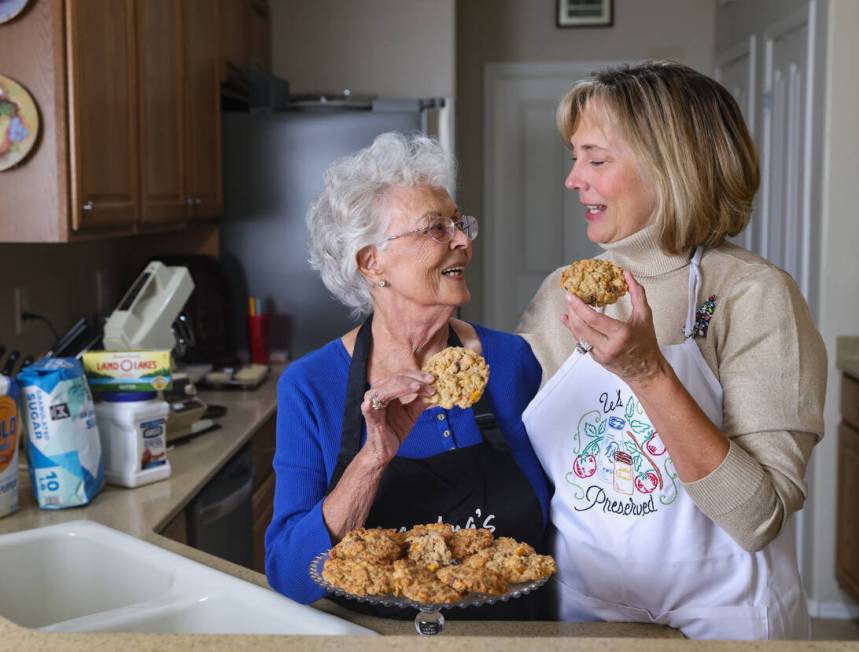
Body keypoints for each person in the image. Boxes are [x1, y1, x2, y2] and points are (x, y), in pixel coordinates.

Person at [517, 61, 826, 639]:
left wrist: (648, 372)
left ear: (671, 169)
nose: (573, 179)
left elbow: (757, 517)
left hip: (726, 618)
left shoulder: (751, 295)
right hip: (587, 611)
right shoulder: (565, 292)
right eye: (573, 157)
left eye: (597, 160)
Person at [266, 132, 552, 619]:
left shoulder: (512, 362)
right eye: (435, 229)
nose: (461, 240)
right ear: (371, 262)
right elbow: (289, 575)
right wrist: (373, 459)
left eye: (459, 224)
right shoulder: (310, 386)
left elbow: (559, 528)